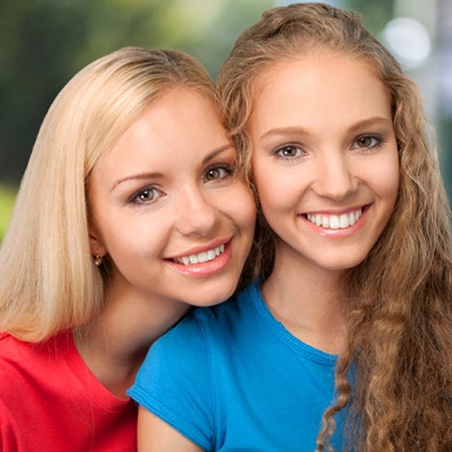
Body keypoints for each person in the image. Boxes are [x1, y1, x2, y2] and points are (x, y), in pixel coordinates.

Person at [129, 3, 452, 452]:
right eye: (290, 150)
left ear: (402, 149)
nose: (338, 185)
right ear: (243, 167)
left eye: (366, 141)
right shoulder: (191, 366)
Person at [0, 47, 255, 451]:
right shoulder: (7, 394)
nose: (201, 218)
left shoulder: (252, 353)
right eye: (146, 194)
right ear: (87, 229)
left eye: (216, 171)